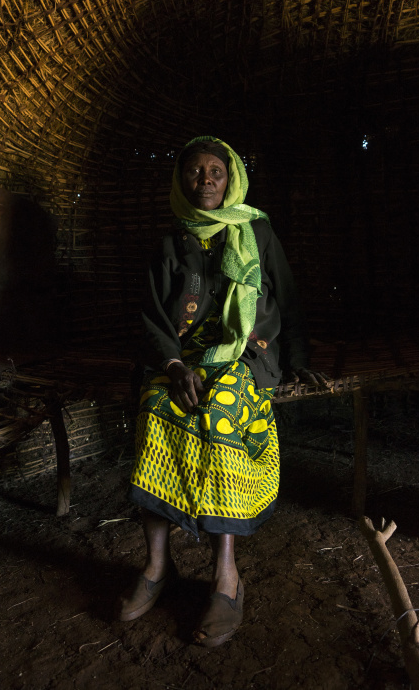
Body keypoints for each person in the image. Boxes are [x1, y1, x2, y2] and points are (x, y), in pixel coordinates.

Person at [121, 136, 326, 646]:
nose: (205, 179)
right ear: (180, 181)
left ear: (231, 178)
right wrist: (172, 366)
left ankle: (226, 576)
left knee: (221, 409)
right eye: (194, 171)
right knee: (157, 409)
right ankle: (155, 566)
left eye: (216, 170)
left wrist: (298, 359)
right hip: (182, 359)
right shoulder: (171, 242)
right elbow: (151, 317)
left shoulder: (257, 231)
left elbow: (288, 296)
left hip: (244, 353)